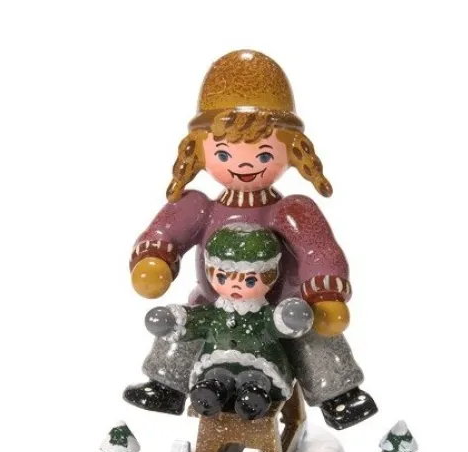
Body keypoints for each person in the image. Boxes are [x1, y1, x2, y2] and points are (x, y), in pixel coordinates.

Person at [125, 49, 377, 430]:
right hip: (216, 307)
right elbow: (166, 233)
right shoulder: (199, 208)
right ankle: (166, 385)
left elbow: (318, 250)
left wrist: (325, 291)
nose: (243, 165)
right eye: (224, 154)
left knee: (314, 338)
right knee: (184, 325)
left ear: (291, 152)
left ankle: (337, 394)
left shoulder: (290, 212)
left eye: (262, 156)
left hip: (283, 312)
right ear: (200, 152)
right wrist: (155, 258)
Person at [144, 225, 313, 421]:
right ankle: (211, 392)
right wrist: (175, 320)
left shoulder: (264, 316)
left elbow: (279, 322)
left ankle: (253, 396)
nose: (235, 287)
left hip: (260, 365)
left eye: (249, 281)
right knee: (214, 377)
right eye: (222, 278)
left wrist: (290, 318)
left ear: (271, 275)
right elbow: (194, 321)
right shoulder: (214, 313)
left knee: (256, 381)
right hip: (214, 364)